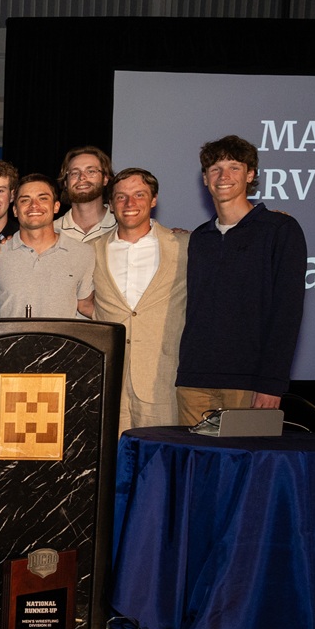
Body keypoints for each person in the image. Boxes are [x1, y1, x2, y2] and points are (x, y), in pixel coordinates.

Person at [175, 135, 307, 426]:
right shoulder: (199, 238)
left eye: (234, 167)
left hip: (249, 383)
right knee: (195, 467)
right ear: (205, 178)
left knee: (246, 467)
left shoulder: (280, 230)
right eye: (215, 169)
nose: (224, 176)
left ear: (250, 175)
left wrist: (272, 383)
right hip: (193, 380)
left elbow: (287, 312)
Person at [91, 168, 189, 432]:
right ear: (110, 204)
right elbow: (82, 299)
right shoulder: (91, 250)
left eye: (139, 195)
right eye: (121, 197)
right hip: (110, 379)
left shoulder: (184, 246)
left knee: (161, 462)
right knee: (113, 463)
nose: (130, 204)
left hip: (164, 378)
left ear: (154, 200)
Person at [0, 173, 95, 320]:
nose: (34, 205)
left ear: (56, 206)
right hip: (10, 343)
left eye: (42, 198)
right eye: (25, 200)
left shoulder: (82, 253)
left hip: (61, 343)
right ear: (15, 210)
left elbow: (85, 305)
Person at [55, 145, 117, 244]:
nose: (82, 177)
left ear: (105, 179)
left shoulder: (121, 226)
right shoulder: (53, 232)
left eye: (91, 171)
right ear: (66, 182)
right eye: (74, 173)